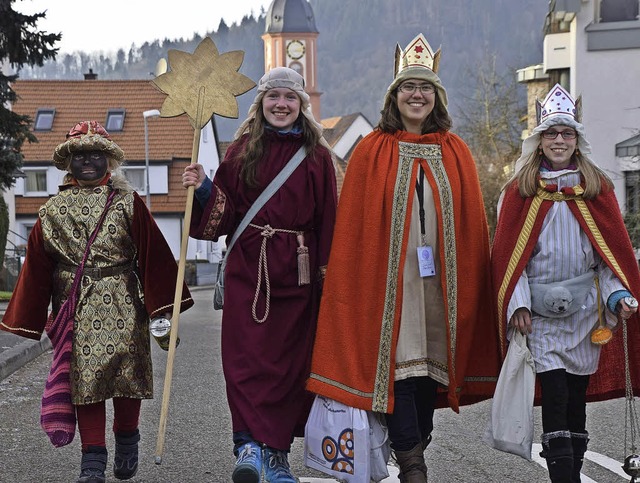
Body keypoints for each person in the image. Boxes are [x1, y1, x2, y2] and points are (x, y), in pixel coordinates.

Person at [306, 33, 501, 482]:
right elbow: (354, 230)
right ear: (395, 96)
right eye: (409, 88)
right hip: (389, 285)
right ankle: (412, 461)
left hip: (438, 287)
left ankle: (413, 444)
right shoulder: (371, 151)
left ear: (436, 97)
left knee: (430, 372)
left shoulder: (456, 151)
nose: (417, 95)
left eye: (426, 88)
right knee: (397, 370)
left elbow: (472, 226)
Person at [0, 121, 193, 483]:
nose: (88, 161)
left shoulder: (127, 203)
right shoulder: (53, 210)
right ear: (69, 162)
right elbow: (38, 265)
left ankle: (127, 439)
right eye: (80, 155)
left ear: (109, 161)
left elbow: (153, 257)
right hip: (77, 308)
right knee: (85, 383)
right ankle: (92, 459)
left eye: (96, 154)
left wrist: (162, 312)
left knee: (126, 376)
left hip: (125, 301)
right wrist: (27, 315)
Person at [181, 66, 337, 483]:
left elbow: (328, 220)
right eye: (273, 97)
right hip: (248, 268)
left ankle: (277, 454)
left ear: (301, 105)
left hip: (297, 274)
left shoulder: (318, 156)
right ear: (262, 103)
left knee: (289, 366)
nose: (281, 105)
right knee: (244, 361)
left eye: (289, 98)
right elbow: (224, 213)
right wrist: (202, 189)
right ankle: (248, 447)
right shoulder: (241, 150)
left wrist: (326, 281)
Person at [491, 84, 640, 482]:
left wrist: (619, 294)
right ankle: (564, 477)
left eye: (567, 133)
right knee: (555, 395)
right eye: (552, 134)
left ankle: (571, 468)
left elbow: (608, 259)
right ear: (539, 142)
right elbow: (510, 260)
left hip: (584, 318)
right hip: (540, 316)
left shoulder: (598, 190)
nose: (559, 140)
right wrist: (518, 302)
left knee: (576, 401)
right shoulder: (519, 193)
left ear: (577, 141)